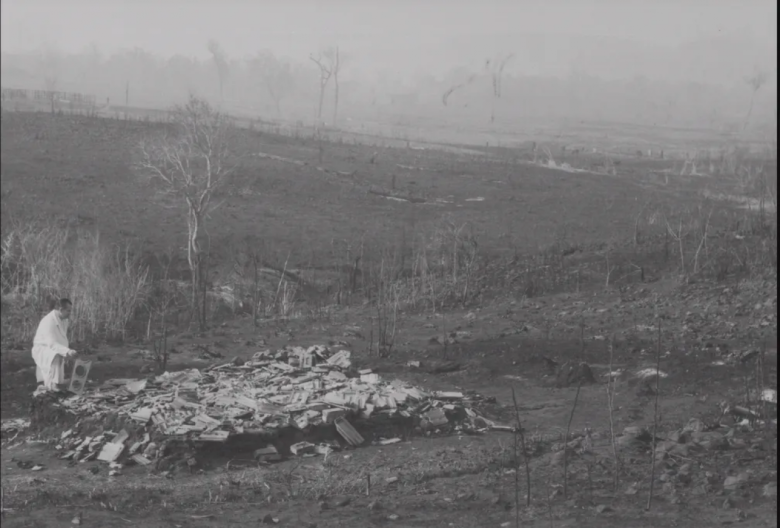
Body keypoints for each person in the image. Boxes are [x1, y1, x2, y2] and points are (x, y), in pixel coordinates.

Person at [31, 298, 77, 392]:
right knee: (56, 355)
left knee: (61, 355)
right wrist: (67, 351)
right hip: (42, 349)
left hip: (52, 347)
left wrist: (68, 352)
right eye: (68, 310)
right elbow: (51, 343)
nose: (70, 313)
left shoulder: (64, 320)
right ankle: (52, 385)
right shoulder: (49, 321)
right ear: (61, 309)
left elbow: (61, 338)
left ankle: (57, 382)